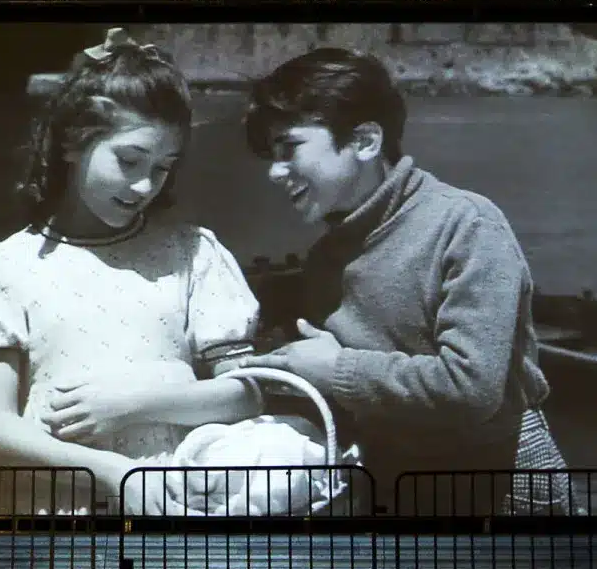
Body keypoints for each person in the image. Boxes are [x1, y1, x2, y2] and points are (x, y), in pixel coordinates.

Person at [241, 48, 572, 515]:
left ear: (364, 141)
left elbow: (471, 387)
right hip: (395, 488)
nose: (275, 171)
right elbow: (349, 384)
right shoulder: (325, 258)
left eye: (289, 147)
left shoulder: (467, 224)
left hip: (503, 488)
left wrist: (336, 369)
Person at [0, 28, 270, 515]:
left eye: (165, 166)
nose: (146, 184)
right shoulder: (6, 265)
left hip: (173, 501)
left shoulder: (192, 253)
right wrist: (111, 472)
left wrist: (132, 403)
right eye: (129, 160)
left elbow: (247, 393)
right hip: (54, 509)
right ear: (71, 143)